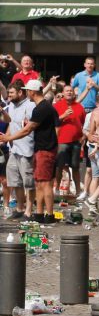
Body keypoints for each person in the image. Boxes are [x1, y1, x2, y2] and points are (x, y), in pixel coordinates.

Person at [1, 81, 58, 223]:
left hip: (41, 149)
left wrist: (8, 137)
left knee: (44, 184)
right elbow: (15, 123)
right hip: (33, 149)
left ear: (31, 92)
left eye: (27, 91)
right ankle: (36, 213)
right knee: (37, 183)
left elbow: (28, 129)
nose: (27, 93)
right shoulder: (39, 106)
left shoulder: (40, 107)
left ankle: (47, 215)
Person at [1, 82, 34, 220]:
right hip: (14, 149)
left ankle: (29, 210)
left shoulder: (30, 106)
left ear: (20, 92)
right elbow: (10, 121)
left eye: (11, 93)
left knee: (28, 182)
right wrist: (2, 111)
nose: (8, 96)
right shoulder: (11, 105)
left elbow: (30, 127)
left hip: (27, 149)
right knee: (15, 181)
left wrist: (8, 137)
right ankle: (20, 208)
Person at [54, 84, 86, 196]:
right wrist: (63, 115)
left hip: (76, 141)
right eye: (67, 91)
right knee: (60, 166)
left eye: (71, 91)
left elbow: (82, 122)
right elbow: (53, 122)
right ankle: (56, 189)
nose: (69, 92)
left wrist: (82, 137)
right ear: (62, 93)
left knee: (76, 167)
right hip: (61, 141)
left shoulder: (79, 106)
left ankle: (78, 191)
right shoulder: (57, 106)